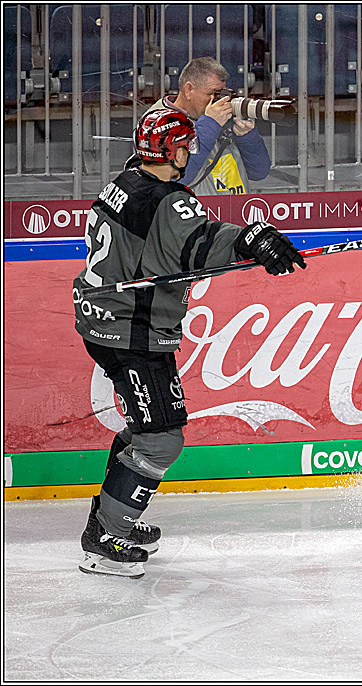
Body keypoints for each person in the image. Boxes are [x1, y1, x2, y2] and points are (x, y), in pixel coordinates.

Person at [72, 109, 305, 578]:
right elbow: (199, 242)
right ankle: (107, 539)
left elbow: (169, 246)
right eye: (185, 147)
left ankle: (110, 522)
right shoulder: (167, 200)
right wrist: (253, 240)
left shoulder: (125, 183)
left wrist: (242, 245)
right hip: (131, 331)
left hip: (106, 320)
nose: (188, 154)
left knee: (149, 429)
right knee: (160, 438)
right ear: (175, 151)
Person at [145, 56, 270, 195]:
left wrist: (247, 138)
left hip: (237, 211)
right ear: (188, 90)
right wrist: (211, 124)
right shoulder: (158, 121)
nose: (218, 101)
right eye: (212, 94)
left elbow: (259, 172)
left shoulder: (220, 117)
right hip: (196, 214)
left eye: (221, 93)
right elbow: (175, 177)